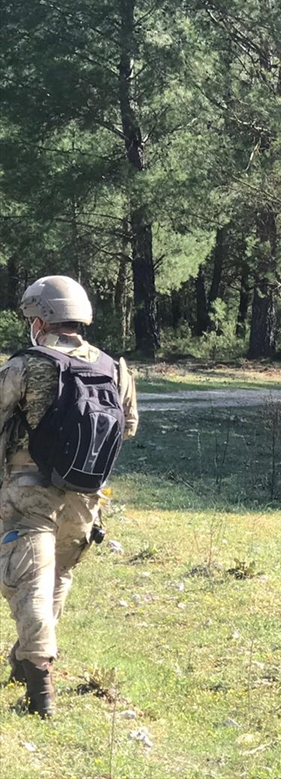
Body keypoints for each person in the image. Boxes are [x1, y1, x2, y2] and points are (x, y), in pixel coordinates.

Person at [0, 276, 139, 717]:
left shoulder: (28, 363)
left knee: (27, 579)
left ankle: (40, 679)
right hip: (85, 493)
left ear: (40, 320)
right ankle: (25, 659)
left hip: (30, 488)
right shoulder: (114, 367)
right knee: (56, 576)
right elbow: (128, 426)